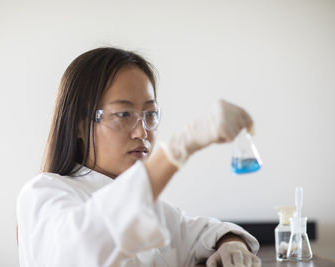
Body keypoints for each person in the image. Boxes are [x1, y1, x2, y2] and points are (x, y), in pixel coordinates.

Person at [16, 47, 261, 267]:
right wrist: (180, 148)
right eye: (123, 114)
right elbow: (85, 247)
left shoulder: (156, 211)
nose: (142, 132)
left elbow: (205, 232)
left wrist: (232, 244)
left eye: (150, 114)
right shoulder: (43, 193)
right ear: (80, 126)